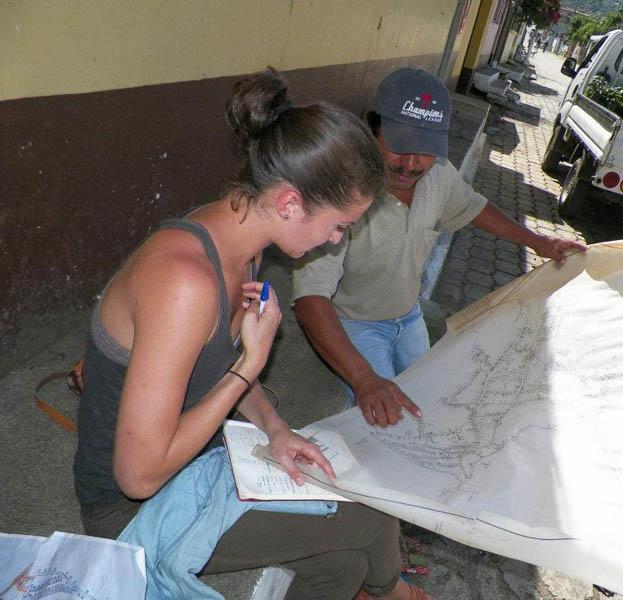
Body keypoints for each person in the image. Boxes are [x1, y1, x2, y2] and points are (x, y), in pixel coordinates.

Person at [73, 67, 432, 600]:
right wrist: (249, 366)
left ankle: (379, 586)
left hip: (190, 464)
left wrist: (276, 430)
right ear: (289, 203)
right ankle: (399, 594)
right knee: (370, 518)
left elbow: (216, 367)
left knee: (343, 566)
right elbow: (138, 477)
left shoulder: (244, 243)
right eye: (339, 226)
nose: (337, 241)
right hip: (130, 510)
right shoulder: (185, 284)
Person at [293, 68, 585, 429]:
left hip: (408, 316)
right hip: (355, 323)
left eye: (425, 150)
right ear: (373, 129)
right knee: (385, 419)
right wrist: (364, 379)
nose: (411, 164)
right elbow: (310, 300)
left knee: (430, 401)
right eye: (400, 145)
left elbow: (474, 208)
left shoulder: (439, 177)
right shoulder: (341, 195)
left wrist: (540, 242)